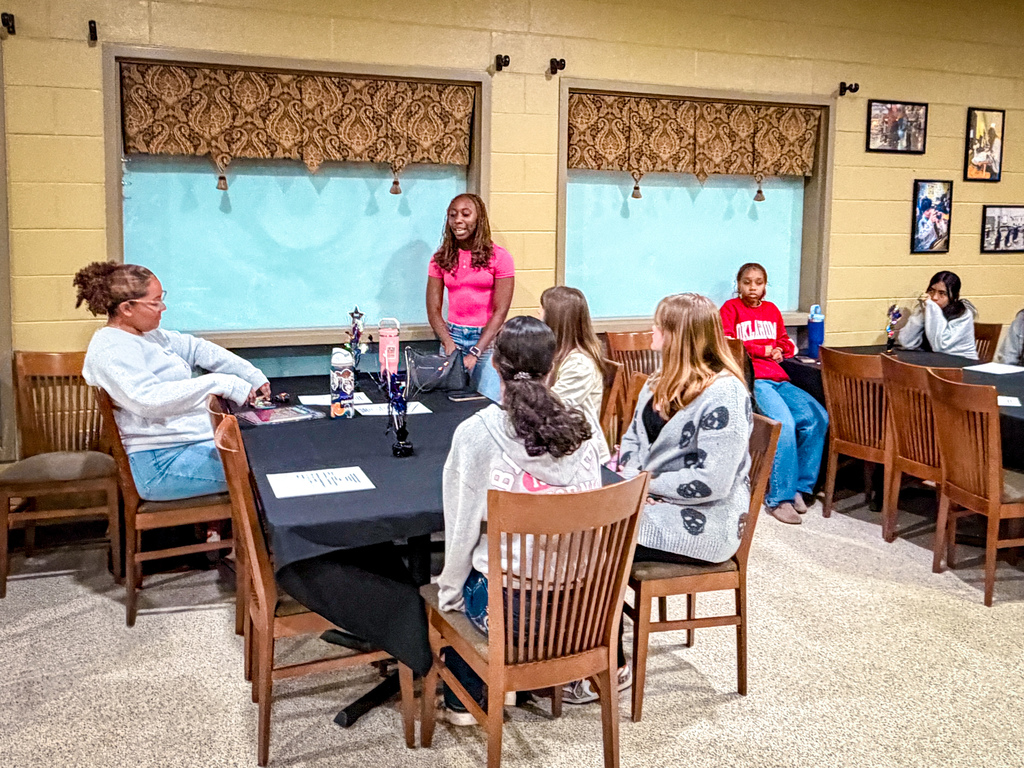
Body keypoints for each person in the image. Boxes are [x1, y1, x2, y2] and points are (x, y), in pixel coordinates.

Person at [436, 315, 607, 723]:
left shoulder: (476, 433)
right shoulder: (585, 432)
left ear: (495, 365)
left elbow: (460, 530)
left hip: (509, 614)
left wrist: (448, 596)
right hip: (581, 611)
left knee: (458, 579)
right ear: (553, 368)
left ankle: (466, 701)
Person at [75, 262, 269, 501]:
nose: (163, 308)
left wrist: (250, 375)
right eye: (155, 302)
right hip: (161, 463)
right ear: (127, 308)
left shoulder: (148, 335)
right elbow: (148, 400)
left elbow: (198, 348)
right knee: (266, 470)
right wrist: (221, 383)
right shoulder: (111, 349)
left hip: (188, 445)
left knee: (267, 454)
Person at [720, 264, 828, 525]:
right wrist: (762, 350)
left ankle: (802, 488)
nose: (753, 287)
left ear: (765, 285)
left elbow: (782, 340)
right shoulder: (729, 309)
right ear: (739, 284)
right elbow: (727, 342)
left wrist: (780, 349)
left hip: (779, 377)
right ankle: (780, 499)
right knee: (784, 425)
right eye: (747, 282)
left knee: (818, 418)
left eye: (758, 282)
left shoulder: (771, 311)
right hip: (755, 379)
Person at [426, 194, 514, 401]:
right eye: (453, 215)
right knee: (447, 406)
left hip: (487, 340)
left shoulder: (500, 258)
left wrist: (476, 351)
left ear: (479, 219)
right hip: (452, 337)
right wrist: (448, 343)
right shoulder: (440, 258)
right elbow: (433, 309)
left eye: (466, 214)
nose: (458, 220)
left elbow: (501, 311)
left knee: (488, 402)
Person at [540, 285, 610, 463]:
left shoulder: (580, 363)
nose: (538, 314)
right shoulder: (556, 354)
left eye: (542, 311)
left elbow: (553, 404)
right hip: (559, 440)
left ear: (556, 319)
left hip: (580, 452)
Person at [898, 270, 978, 359]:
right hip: (934, 361)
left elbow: (940, 346)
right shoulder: (928, 309)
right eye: (931, 291)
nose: (934, 297)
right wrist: (922, 314)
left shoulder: (964, 314)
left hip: (961, 363)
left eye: (942, 293)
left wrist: (932, 308)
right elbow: (906, 342)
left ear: (954, 296)